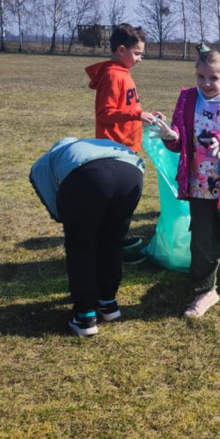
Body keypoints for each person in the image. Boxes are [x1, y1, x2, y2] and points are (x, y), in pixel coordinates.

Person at [154, 50, 220, 319]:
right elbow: (181, 139)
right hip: (198, 185)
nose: (205, 83)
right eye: (200, 76)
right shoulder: (189, 99)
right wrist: (171, 135)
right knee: (202, 238)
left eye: (213, 78)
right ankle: (205, 290)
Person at [29, 137, 145, 336]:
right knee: (112, 241)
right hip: (132, 173)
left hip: (89, 178)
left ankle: (84, 317)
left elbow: (51, 199)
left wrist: (70, 220)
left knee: (81, 247)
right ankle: (108, 304)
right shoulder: (88, 145)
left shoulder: (46, 162)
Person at [85, 23, 160, 153]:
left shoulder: (123, 73)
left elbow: (126, 110)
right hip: (114, 148)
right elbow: (105, 113)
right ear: (121, 50)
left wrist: (147, 117)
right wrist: (138, 115)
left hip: (126, 146)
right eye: (137, 53)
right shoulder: (112, 76)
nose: (140, 59)